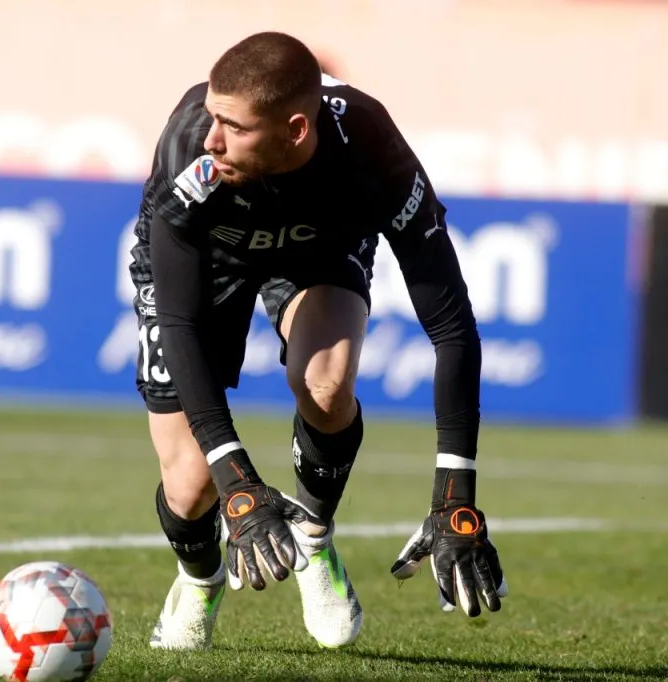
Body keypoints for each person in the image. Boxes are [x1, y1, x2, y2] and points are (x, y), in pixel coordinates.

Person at [128, 31, 508, 651]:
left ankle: (313, 536)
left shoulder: (373, 152)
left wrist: (455, 499)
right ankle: (198, 579)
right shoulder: (188, 155)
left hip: (316, 251)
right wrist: (239, 483)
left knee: (326, 387)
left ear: (296, 129)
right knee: (193, 485)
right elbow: (182, 326)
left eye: (232, 125)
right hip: (205, 260)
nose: (211, 138)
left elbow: (452, 327)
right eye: (212, 115)